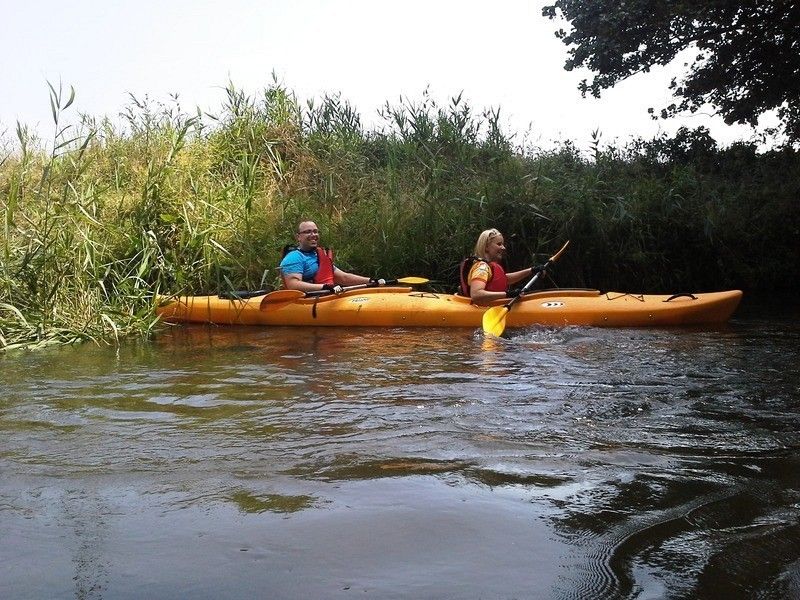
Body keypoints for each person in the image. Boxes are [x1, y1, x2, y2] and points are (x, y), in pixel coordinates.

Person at [279, 220, 384, 294]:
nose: (313, 234)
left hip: (324, 296)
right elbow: (293, 285)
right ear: (298, 237)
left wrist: (370, 280)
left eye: (315, 231)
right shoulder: (293, 257)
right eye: (308, 232)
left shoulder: (319, 255)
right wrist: (325, 286)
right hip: (304, 301)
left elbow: (343, 277)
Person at [459, 228, 543, 304]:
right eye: (499, 244)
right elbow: (476, 294)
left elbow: (504, 279)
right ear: (486, 247)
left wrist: (531, 270)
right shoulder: (482, 268)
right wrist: (508, 294)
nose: (503, 248)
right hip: (483, 309)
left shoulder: (487, 267)